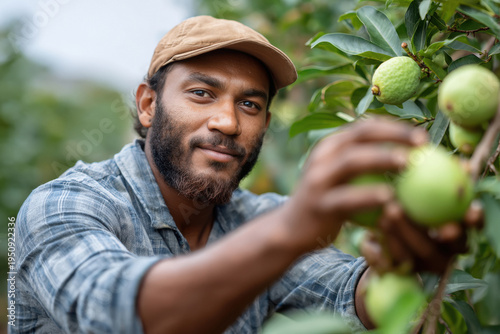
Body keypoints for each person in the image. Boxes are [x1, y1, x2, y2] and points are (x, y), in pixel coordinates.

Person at [12, 15, 479, 334]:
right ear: (149, 105)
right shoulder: (64, 205)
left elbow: (347, 292)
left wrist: (399, 261)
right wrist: (290, 231)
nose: (228, 122)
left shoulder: (258, 218)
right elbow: (117, 314)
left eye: (250, 104)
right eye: (201, 93)